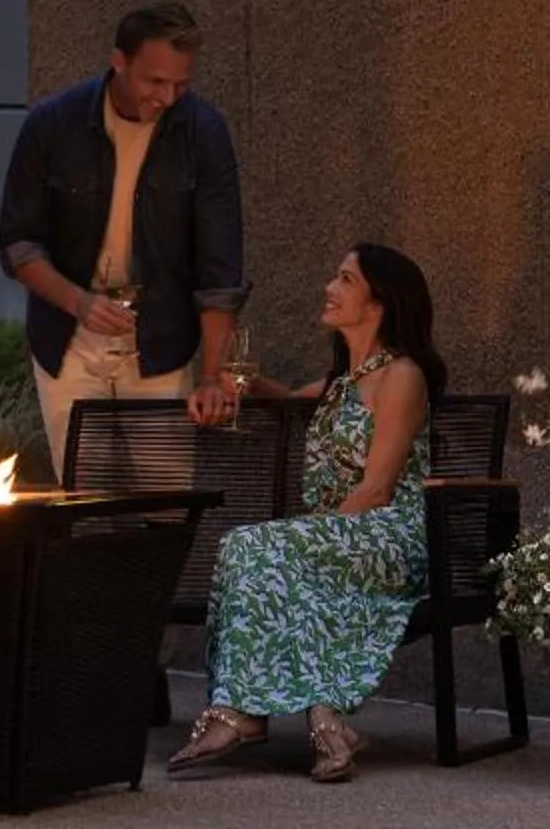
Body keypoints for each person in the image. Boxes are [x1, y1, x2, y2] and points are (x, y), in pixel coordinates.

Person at [167, 244, 444, 785]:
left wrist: (309, 533)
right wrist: (240, 383)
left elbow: (378, 488)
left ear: (379, 303)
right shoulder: (342, 381)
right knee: (249, 546)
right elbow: (292, 397)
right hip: (340, 536)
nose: (329, 288)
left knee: (254, 546)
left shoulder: (402, 376)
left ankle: (243, 714)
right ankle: (308, 717)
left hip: (389, 535)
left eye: (344, 279)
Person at [0, 1, 249, 480]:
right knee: (84, 496)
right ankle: (91, 555)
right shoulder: (53, 124)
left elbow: (220, 267)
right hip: (68, 337)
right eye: (155, 81)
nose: (169, 97)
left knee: (166, 494)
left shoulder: (202, 131)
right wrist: (80, 302)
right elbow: (18, 243)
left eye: (181, 83)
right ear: (119, 62)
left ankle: (158, 558)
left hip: (160, 337)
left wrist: (213, 375)